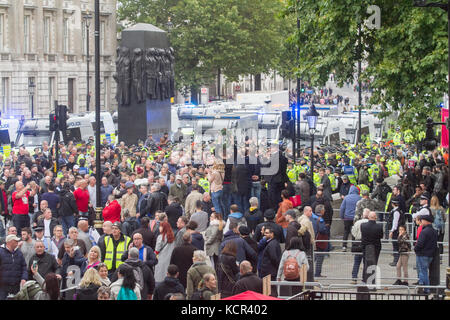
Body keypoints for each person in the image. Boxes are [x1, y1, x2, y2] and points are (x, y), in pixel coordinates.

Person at [414, 214, 438, 294]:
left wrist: (415, 249)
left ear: (426, 221)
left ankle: (425, 288)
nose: (421, 221)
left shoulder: (424, 232)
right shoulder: (434, 231)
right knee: (424, 271)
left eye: (422, 220)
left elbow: (419, 244)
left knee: (422, 271)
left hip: (422, 254)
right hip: (430, 255)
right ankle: (423, 286)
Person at [0, 234, 28, 300]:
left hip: (16, 286)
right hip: (3, 286)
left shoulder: (19, 253)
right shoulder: (0, 252)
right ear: (10, 242)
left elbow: (24, 267)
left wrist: (24, 278)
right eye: (15, 241)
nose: (17, 242)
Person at [361, 211, 384, 286]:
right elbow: (381, 236)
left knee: (366, 263)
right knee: (374, 264)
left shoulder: (363, 225)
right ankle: (372, 282)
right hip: (375, 247)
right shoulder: (379, 227)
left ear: (368, 217)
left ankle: (364, 280)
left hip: (366, 247)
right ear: (376, 217)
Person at [350, 208, 370, 284]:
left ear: (362, 215)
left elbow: (353, 232)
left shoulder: (357, 222)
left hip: (358, 242)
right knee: (366, 262)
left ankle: (354, 278)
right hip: (367, 243)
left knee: (356, 261)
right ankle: (364, 278)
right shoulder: (369, 222)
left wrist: (357, 237)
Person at [340, 185, 361, 252]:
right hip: (355, 218)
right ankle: (353, 246)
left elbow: (342, 208)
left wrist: (342, 216)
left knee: (346, 231)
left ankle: (344, 246)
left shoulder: (346, 198)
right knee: (354, 232)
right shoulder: (359, 198)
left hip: (347, 217)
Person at [311, 204, 328, 278]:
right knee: (320, 258)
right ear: (321, 211)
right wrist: (325, 229)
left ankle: (309, 272)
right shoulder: (320, 220)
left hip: (313, 239)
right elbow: (322, 230)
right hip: (320, 241)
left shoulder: (311, 218)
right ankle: (317, 273)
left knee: (312, 257)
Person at [388, 199, 405, 267]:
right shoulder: (397, 211)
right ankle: (397, 260)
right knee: (396, 246)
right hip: (397, 230)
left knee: (396, 246)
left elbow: (395, 223)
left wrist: (392, 231)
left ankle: (396, 261)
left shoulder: (396, 212)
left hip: (396, 231)